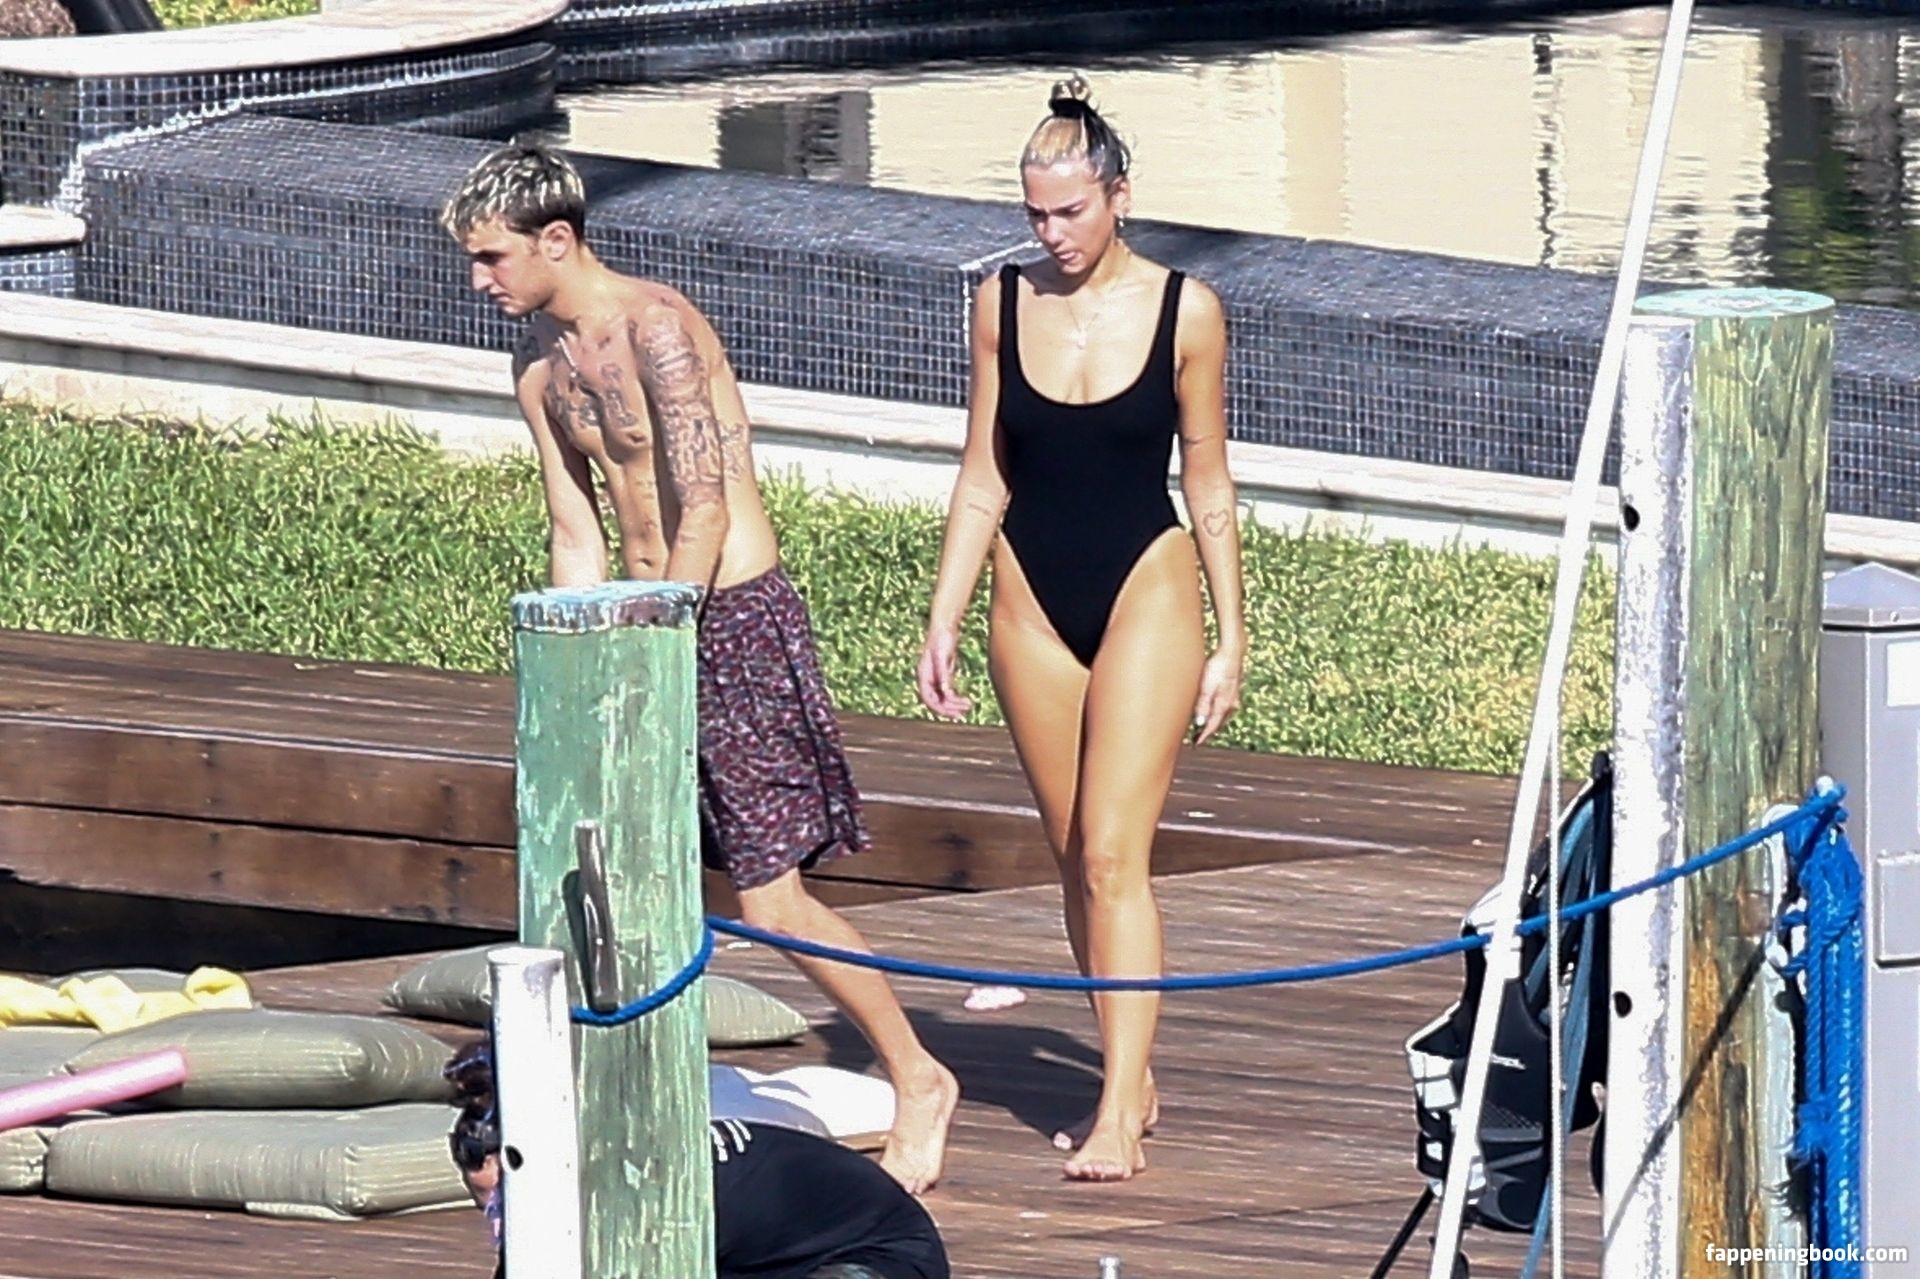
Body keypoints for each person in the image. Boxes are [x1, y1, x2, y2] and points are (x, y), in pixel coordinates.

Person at [439, 143, 957, 1194]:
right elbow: (575, 528)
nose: (479, 278)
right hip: (642, 630)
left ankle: (919, 1075)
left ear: (556, 239)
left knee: (772, 902)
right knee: (632, 876)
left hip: (728, 624)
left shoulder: (659, 330)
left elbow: (706, 507)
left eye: (492, 256)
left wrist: (661, 642)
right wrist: (578, 658)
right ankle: (638, 1082)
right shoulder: (537, 368)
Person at [916, 75, 1247, 1183]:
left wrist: (1233, 634)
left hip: (1146, 579)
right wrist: (944, 616)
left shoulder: (1186, 309)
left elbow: (1208, 477)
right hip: (1030, 593)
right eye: (1035, 214)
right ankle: (1128, 1069)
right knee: (1074, 857)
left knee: (1114, 852)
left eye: (1071, 210)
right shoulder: (1001, 304)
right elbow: (983, 472)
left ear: (1118, 196)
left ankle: (1117, 1113)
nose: (1052, 233)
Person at [446, 1041, 949, 1279]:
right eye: (485, 1207)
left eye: (504, 1205)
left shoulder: (658, 1195)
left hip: (880, 1260)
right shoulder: (592, 1173)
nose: (499, 1224)